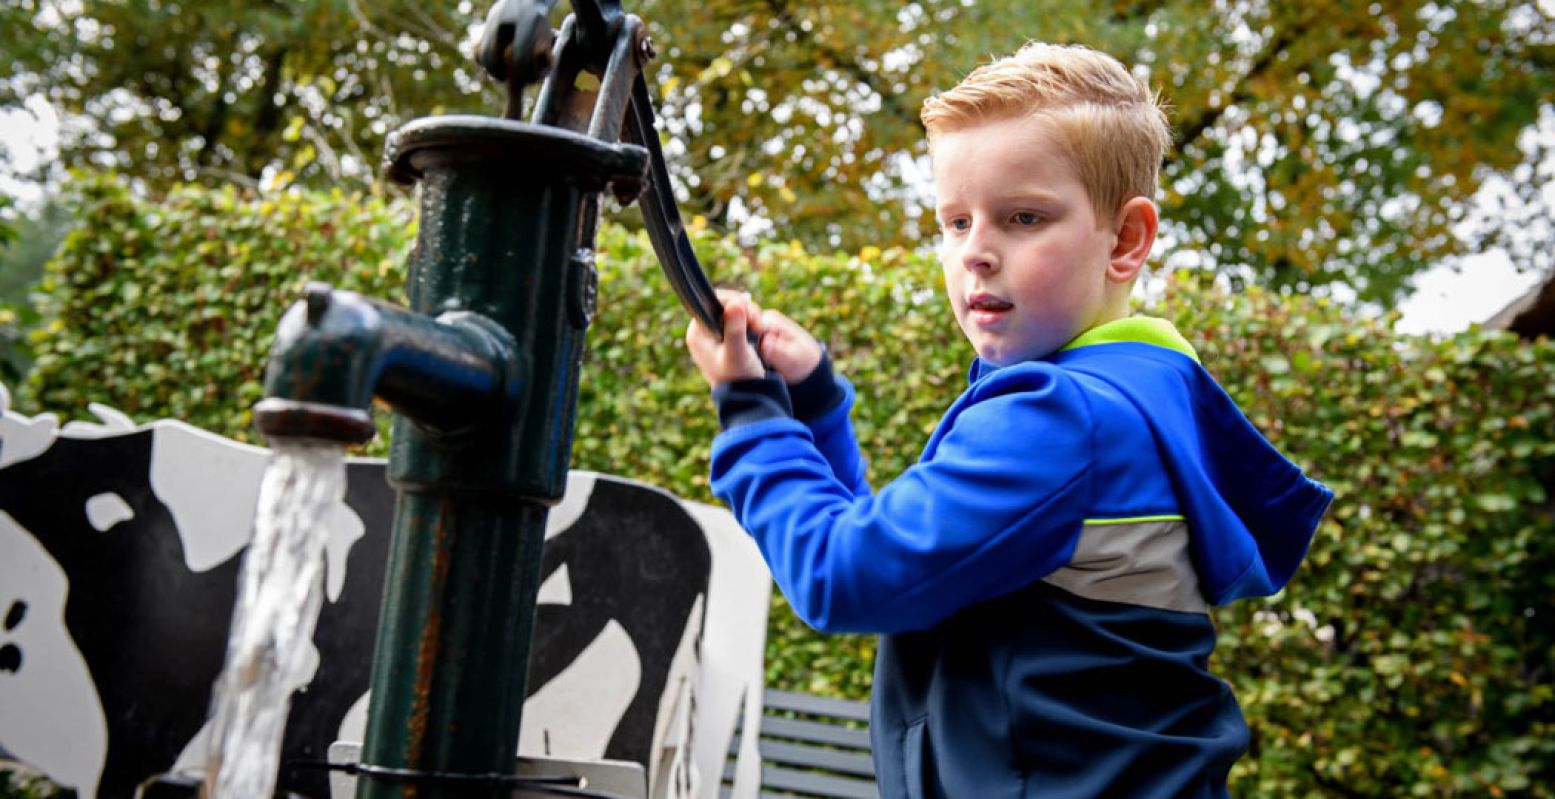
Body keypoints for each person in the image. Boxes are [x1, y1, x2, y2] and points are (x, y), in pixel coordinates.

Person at [684, 41, 1332, 798]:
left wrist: (751, 413)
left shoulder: (1061, 418)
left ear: (1125, 239)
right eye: (954, 222)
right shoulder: (1133, 393)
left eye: (1022, 217)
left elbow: (841, 575)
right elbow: (891, 547)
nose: (976, 254)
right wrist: (815, 402)